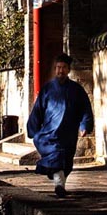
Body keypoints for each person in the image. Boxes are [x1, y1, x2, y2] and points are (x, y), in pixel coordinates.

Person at [26, 53, 93, 198]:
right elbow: (38, 109)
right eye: (58, 68)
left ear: (68, 70)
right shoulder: (48, 89)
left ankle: (59, 179)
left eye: (63, 68)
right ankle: (59, 185)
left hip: (68, 133)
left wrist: (84, 125)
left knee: (66, 162)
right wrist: (33, 129)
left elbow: (85, 108)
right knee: (55, 156)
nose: (60, 71)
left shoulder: (76, 90)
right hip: (50, 132)